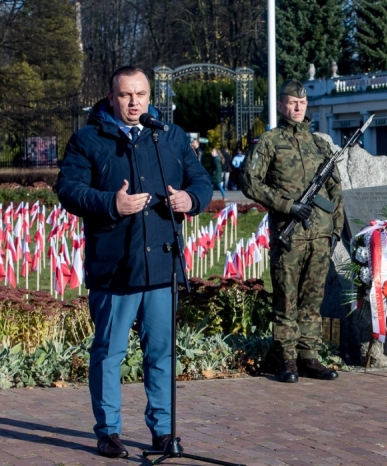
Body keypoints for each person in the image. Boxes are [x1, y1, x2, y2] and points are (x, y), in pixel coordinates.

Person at [54, 66, 213, 458]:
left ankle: (162, 430)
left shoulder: (169, 136)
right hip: (115, 268)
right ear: (111, 97)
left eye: (140, 94)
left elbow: (203, 182)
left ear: (149, 95)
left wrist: (190, 200)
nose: (134, 102)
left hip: (161, 265)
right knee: (109, 352)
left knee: (161, 353)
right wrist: (112, 203)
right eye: (126, 95)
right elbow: (69, 190)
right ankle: (108, 431)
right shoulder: (88, 139)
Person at [240, 79, 343, 383]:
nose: (297, 108)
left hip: (320, 234)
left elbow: (336, 190)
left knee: (313, 298)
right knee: (287, 297)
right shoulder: (270, 142)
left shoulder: (320, 144)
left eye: (302, 103)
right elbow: (249, 181)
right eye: (291, 103)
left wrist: (335, 227)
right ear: (281, 105)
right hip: (290, 233)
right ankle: (286, 358)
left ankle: (309, 355)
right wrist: (287, 206)